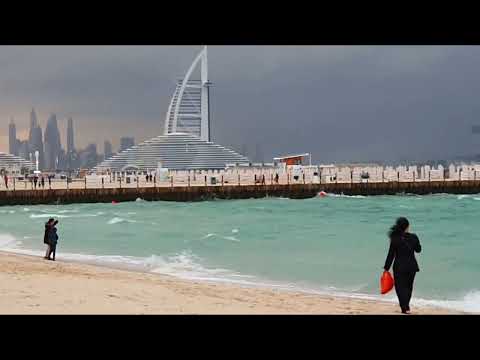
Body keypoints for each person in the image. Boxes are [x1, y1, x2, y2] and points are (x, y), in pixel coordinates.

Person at [383, 217, 421, 314]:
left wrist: (386, 268)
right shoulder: (414, 237)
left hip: (399, 267)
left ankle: (404, 307)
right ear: (407, 226)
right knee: (409, 287)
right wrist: (416, 243)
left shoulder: (395, 238)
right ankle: (406, 307)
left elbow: (391, 254)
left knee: (400, 287)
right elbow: (418, 250)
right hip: (411, 266)